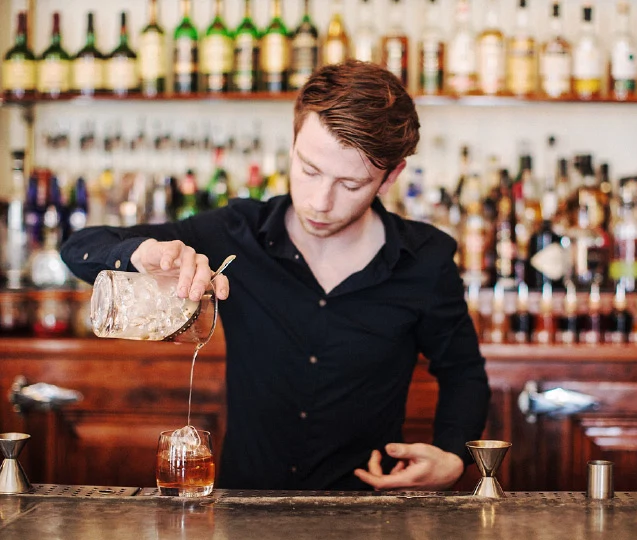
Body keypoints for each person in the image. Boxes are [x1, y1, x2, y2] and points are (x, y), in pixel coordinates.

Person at [61, 59, 490, 491]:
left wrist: (453, 457)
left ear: (390, 177)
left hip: (367, 508)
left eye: (350, 184)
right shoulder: (236, 233)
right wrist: (141, 253)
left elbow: (464, 372)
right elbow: (78, 248)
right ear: (293, 143)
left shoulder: (425, 260)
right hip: (243, 508)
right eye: (309, 170)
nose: (320, 201)